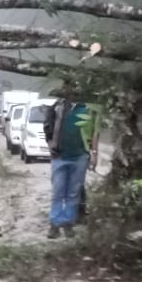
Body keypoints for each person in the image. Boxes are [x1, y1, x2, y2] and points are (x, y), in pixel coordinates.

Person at [43, 95, 90, 239]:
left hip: (80, 156)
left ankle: (68, 223)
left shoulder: (86, 108)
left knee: (73, 193)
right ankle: (54, 224)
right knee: (58, 192)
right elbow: (47, 126)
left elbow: (93, 131)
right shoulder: (58, 106)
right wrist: (51, 145)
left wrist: (92, 152)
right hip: (60, 157)